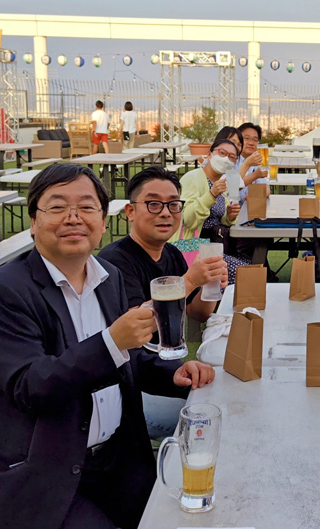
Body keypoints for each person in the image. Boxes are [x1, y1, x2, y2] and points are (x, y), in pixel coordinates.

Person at [0, 164, 216, 529]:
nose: (73, 218)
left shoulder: (108, 277)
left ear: (103, 222)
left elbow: (126, 360)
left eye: (87, 207)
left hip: (119, 460)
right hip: (46, 470)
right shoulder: (3, 292)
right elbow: (30, 385)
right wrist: (112, 341)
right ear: (33, 221)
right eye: (58, 207)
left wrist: (174, 373)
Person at [97, 167, 229, 440]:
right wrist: (189, 280)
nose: (166, 213)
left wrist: (211, 286)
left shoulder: (171, 253)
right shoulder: (114, 261)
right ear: (130, 211)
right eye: (154, 204)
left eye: (173, 204)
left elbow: (196, 313)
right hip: (130, 383)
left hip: (169, 370)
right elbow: (137, 326)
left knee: (223, 398)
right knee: (211, 421)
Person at [179, 138, 250, 283]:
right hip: (195, 247)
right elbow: (187, 219)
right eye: (222, 153)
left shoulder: (221, 182)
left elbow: (219, 218)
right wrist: (211, 194)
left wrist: (229, 216)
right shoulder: (193, 178)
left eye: (232, 157)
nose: (226, 159)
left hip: (216, 245)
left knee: (251, 262)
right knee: (245, 273)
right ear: (209, 154)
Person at [235, 122, 267, 199]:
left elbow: (265, 187)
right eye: (246, 138)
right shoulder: (231, 159)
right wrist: (255, 175)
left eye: (255, 140)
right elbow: (230, 188)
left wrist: (258, 194)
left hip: (249, 204)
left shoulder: (257, 161)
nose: (251, 143)